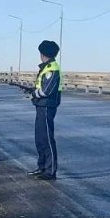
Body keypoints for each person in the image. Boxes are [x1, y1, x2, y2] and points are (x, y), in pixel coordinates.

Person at [28, 40, 62, 181]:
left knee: (47, 139)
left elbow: (47, 90)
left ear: (43, 54)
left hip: (47, 105)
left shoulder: (52, 68)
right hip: (41, 106)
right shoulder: (47, 66)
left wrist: (34, 93)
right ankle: (42, 166)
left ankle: (50, 171)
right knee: (40, 139)